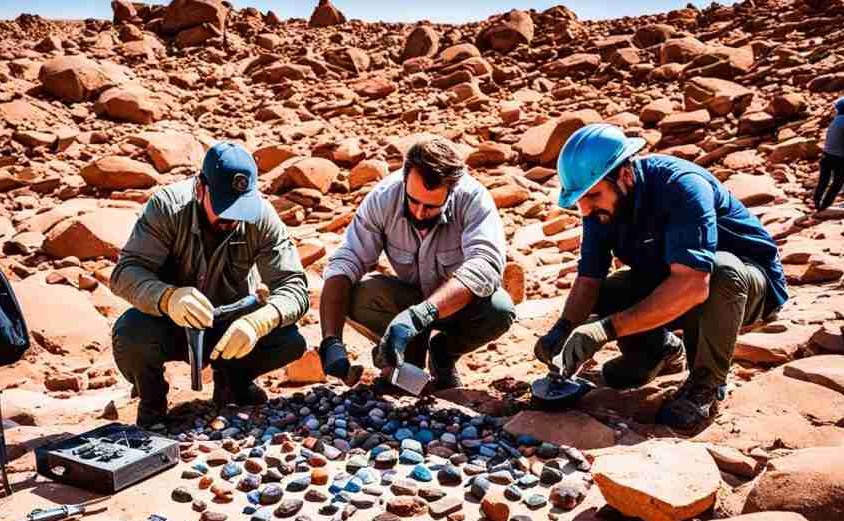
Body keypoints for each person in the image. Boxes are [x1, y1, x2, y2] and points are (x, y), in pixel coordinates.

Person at [534, 123, 789, 430]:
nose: (585, 209)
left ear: (624, 175)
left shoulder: (681, 186)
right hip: (673, 283)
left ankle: (705, 386)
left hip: (745, 290)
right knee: (609, 293)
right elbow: (589, 279)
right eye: (579, 200)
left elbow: (694, 284)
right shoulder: (600, 209)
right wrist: (563, 329)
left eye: (593, 196)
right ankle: (660, 352)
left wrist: (605, 330)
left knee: (721, 270)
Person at [110, 143, 310, 427]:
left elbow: (294, 286)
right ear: (200, 188)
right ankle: (152, 399)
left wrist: (262, 321)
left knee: (289, 341)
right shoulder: (167, 208)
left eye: (240, 208)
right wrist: (167, 297)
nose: (231, 218)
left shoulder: (261, 217)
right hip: (172, 324)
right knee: (130, 334)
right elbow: (125, 273)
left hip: (232, 326)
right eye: (224, 207)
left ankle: (234, 383)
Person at [318, 137, 515, 392]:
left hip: (458, 305)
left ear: (451, 192)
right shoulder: (383, 198)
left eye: (432, 206)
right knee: (357, 294)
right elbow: (346, 261)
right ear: (404, 179)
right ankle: (405, 359)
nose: (420, 213)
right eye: (413, 201)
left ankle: (443, 355)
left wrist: (422, 314)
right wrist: (331, 341)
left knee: (499, 310)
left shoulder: (473, 199)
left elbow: (485, 265)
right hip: (408, 298)